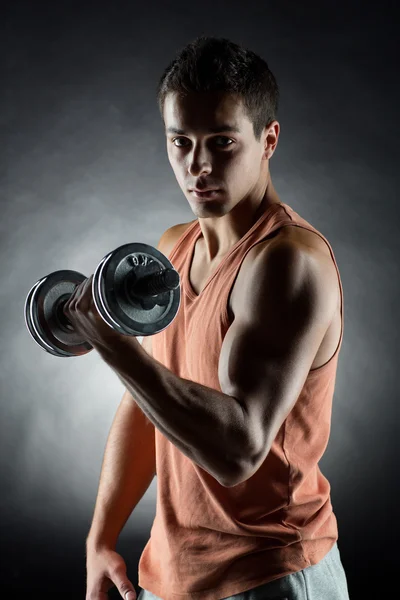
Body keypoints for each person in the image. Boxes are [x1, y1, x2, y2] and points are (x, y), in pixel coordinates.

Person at [83, 36, 350, 600]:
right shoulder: (173, 247)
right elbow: (148, 401)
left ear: (268, 139)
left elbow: (239, 452)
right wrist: (101, 537)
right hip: (171, 575)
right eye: (180, 141)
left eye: (222, 142)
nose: (196, 165)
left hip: (269, 575)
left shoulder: (287, 262)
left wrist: (113, 346)